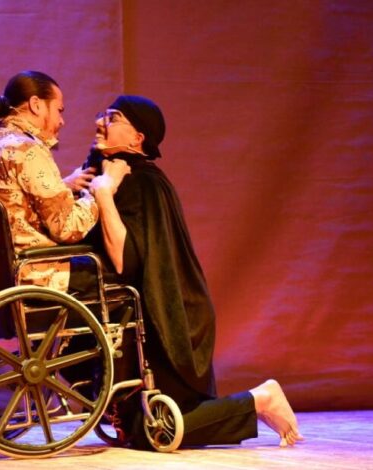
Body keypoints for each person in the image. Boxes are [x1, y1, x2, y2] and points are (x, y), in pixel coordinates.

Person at [85, 95, 304, 448]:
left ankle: (260, 398)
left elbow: (125, 261)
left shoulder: (143, 182)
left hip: (167, 320)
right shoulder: (111, 173)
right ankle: (255, 402)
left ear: (137, 138)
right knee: (141, 431)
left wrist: (104, 194)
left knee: (156, 433)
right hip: (142, 316)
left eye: (113, 117)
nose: (100, 122)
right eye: (103, 115)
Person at [0, 71, 98, 291]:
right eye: (59, 110)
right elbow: (66, 228)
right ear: (36, 105)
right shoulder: (27, 149)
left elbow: (12, 200)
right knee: (122, 272)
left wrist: (64, 186)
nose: (61, 121)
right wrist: (98, 193)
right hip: (35, 275)